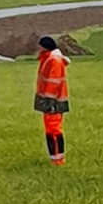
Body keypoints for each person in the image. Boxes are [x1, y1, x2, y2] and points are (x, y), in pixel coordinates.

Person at [35, 36, 70, 165]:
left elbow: (53, 82)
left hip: (53, 101)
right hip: (52, 100)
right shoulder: (48, 58)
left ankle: (58, 159)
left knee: (54, 130)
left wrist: (48, 100)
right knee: (51, 129)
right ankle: (55, 158)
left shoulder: (53, 60)